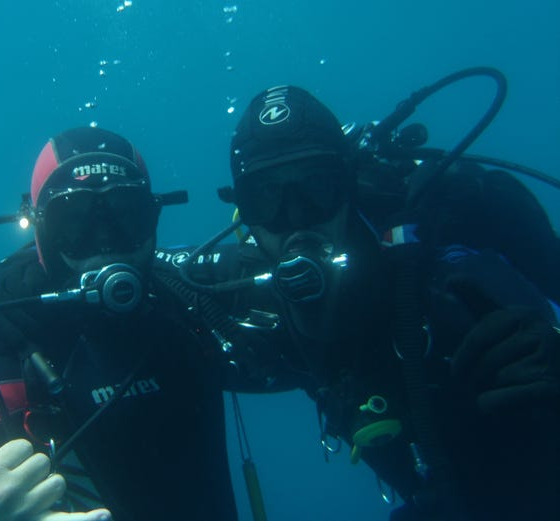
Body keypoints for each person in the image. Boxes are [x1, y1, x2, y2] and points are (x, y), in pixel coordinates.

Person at [170, 85, 560, 520]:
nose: (296, 219)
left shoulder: (436, 247)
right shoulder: (244, 288)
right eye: (267, 197)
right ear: (241, 208)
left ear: (349, 184)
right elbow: (145, 267)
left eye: (317, 188)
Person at [0, 127, 240, 521]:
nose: (105, 245)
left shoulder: (188, 308)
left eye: (127, 216)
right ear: (41, 230)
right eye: (74, 224)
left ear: (153, 220)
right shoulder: (1, 350)